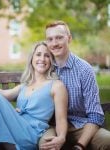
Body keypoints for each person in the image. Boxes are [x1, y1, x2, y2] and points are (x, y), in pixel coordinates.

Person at [0, 41, 68, 150]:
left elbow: (61, 119)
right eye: (38, 54)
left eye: (47, 56)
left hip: (29, 133)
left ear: (51, 61)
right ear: (32, 59)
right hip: (14, 129)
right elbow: (4, 94)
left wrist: (62, 137)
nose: (42, 59)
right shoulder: (25, 85)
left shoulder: (56, 85)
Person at [39, 21, 110, 150]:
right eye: (50, 39)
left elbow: (95, 115)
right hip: (52, 126)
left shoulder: (84, 69)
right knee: (47, 146)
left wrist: (79, 146)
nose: (54, 43)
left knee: (107, 141)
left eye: (59, 37)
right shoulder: (44, 66)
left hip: (80, 125)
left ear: (69, 38)